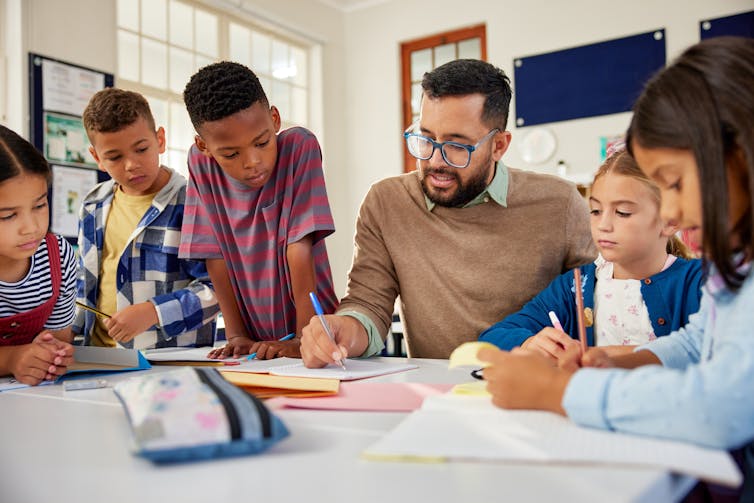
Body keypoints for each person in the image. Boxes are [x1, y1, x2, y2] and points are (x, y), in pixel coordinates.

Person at [478, 37, 754, 498]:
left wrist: (559, 395)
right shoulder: (731, 270)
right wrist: (617, 365)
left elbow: (722, 407)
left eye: (676, 184)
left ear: (741, 154)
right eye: (597, 210)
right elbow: (699, 339)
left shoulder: (698, 274)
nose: (670, 215)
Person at [301, 59, 596, 367]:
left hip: (534, 386)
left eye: (457, 146)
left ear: (498, 146)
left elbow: (599, 305)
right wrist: (343, 330)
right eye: (425, 138)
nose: (435, 161)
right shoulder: (386, 202)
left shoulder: (560, 204)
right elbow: (368, 303)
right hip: (436, 395)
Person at [479, 149, 703, 360]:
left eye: (623, 213)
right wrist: (528, 343)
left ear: (670, 221)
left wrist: (613, 355)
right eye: (595, 210)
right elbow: (492, 338)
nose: (603, 225)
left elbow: (712, 352)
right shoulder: (576, 286)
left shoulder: (700, 282)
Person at [180, 61, 337, 360]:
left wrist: (305, 337)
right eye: (230, 154)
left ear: (275, 119)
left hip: (318, 333)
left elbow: (299, 247)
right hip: (255, 345)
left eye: (262, 142)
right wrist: (237, 334)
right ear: (204, 146)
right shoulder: (201, 165)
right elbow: (214, 254)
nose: (252, 161)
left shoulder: (298, 147)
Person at [76, 88, 218, 350]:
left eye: (141, 149)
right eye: (114, 157)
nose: (131, 164)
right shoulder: (92, 204)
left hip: (167, 365)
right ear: (97, 158)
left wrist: (154, 312)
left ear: (160, 140)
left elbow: (218, 291)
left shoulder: (193, 203)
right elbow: (83, 287)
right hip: (96, 358)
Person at [0, 125, 76, 384]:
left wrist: (52, 354)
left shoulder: (58, 256)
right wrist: (11, 359)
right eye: (8, 215)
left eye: (40, 205)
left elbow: (60, 338)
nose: (31, 228)